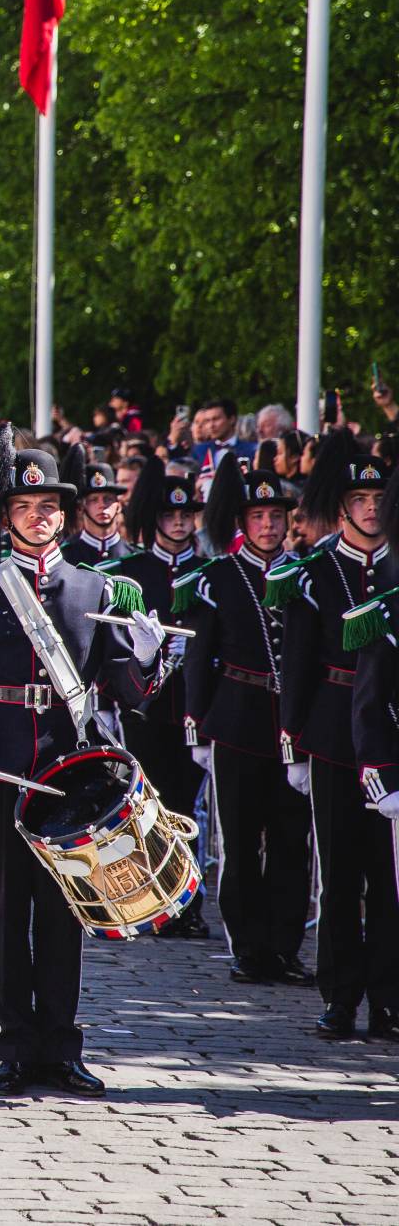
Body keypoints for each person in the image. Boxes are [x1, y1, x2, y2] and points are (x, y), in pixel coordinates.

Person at [0, 427, 167, 1097]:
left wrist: (148, 656)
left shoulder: (97, 589)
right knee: (6, 912)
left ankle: (61, 1046)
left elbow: (128, 691)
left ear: (66, 513)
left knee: (67, 910)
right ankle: (13, 1045)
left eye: (50, 507)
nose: (40, 517)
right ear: (6, 516)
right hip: (1, 766)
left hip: (71, 770)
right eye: (26, 508)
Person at [278, 430, 396, 1039]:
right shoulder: (314, 572)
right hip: (332, 731)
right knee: (340, 872)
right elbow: (296, 664)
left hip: (393, 736)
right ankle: (340, 995)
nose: (371, 508)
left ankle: (390, 997)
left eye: (379, 498)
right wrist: (292, 740)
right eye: (359, 499)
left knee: (391, 875)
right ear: (342, 506)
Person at [178, 456, 311, 986]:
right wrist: (197, 728)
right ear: (242, 523)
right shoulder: (215, 577)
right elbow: (197, 659)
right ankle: (248, 947)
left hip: (294, 724)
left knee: (290, 839)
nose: (268, 525)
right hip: (236, 718)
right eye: (258, 516)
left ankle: (285, 945)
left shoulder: (305, 574)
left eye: (276, 516)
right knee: (238, 839)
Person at [107, 457, 209, 938]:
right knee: (148, 804)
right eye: (170, 517)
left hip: (193, 704)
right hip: (144, 705)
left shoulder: (208, 571)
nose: (178, 523)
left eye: (186, 516)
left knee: (188, 808)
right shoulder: (131, 573)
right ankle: (152, 899)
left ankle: (188, 900)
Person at [59, 445, 131, 568]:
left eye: (108, 499)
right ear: (81, 508)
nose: (102, 504)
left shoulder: (132, 556)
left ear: (118, 506)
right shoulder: (65, 556)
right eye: (93, 500)